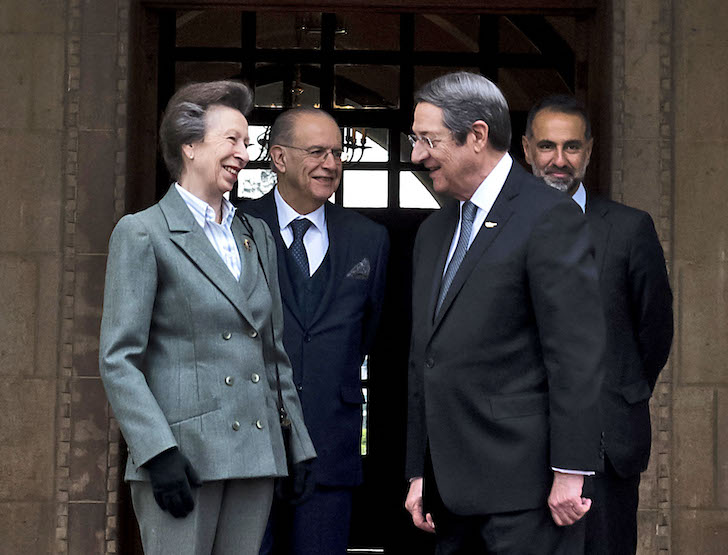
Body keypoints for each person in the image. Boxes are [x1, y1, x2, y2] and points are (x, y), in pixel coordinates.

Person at [99, 80, 316, 555]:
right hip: (183, 458)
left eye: (247, 140)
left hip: (256, 457)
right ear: (190, 145)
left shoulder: (255, 233)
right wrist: (157, 452)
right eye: (232, 139)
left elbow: (272, 349)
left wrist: (296, 444)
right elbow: (119, 359)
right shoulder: (142, 233)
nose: (245, 151)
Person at [403, 71, 606, 554]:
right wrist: (418, 471)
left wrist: (570, 472)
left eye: (427, 139)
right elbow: (424, 359)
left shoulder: (548, 216)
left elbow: (575, 355)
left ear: (476, 136)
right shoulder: (433, 231)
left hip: (527, 493)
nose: (416, 155)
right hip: (448, 494)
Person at [522, 94, 673, 555]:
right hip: (518, 444)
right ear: (527, 150)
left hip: (607, 445)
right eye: (547, 146)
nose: (559, 160)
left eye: (572, 147)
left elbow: (654, 332)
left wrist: (617, 388)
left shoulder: (629, 229)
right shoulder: (500, 229)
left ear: (589, 151)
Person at [238, 107, 389, 555]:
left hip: (330, 447)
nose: (331, 163)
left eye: (338, 153)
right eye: (317, 152)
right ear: (279, 158)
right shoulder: (237, 226)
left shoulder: (369, 239)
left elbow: (369, 333)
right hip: (251, 448)